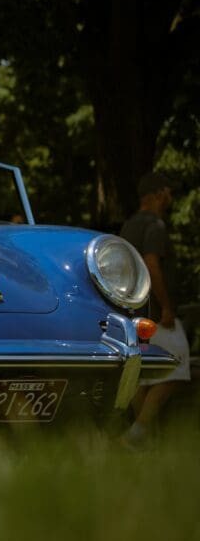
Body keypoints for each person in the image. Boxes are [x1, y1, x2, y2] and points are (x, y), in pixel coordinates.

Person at [119, 171, 191, 448]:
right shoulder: (156, 226)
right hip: (157, 314)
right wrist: (168, 307)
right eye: (169, 192)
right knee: (178, 365)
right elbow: (151, 263)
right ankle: (137, 434)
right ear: (159, 193)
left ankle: (142, 437)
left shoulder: (127, 227)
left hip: (134, 313)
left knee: (145, 374)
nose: (171, 198)